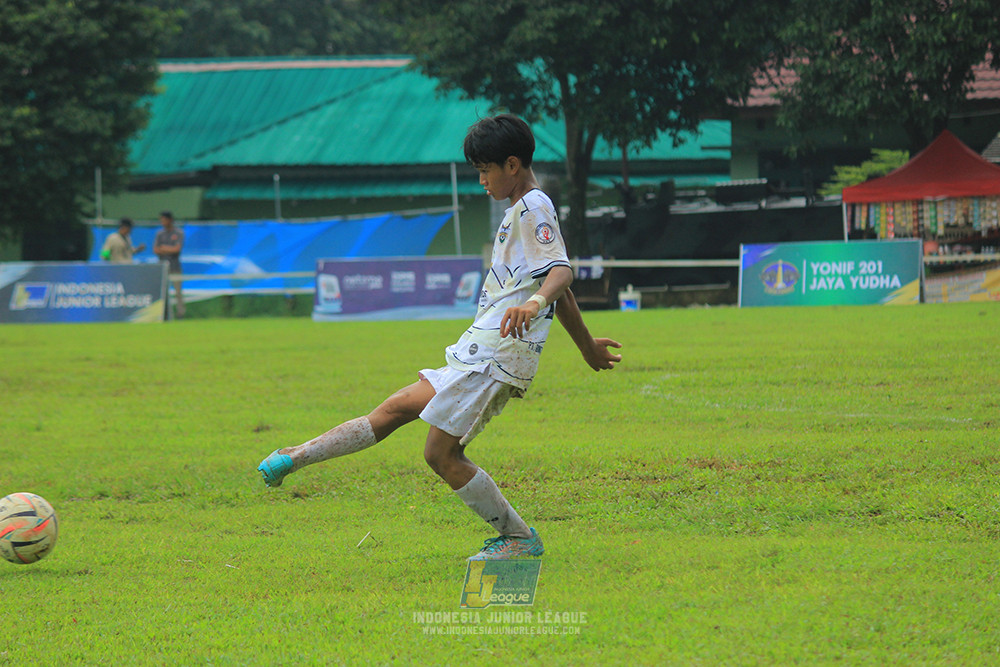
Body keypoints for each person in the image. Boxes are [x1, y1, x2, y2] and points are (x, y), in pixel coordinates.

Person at [257, 114, 622, 560]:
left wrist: (531, 305)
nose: (482, 181)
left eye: (485, 170)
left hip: (497, 354)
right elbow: (554, 284)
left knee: (440, 454)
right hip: (478, 347)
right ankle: (295, 455)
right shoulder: (520, 210)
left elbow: (561, 274)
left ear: (512, 165)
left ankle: (520, 539)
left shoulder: (534, 207)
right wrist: (585, 345)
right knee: (393, 410)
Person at [153, 211, 185, 318]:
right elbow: (156, 249)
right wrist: (168, 249)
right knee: (162, 293)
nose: (162, 222)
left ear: (170, 220)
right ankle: (162, 315)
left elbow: (177, 249)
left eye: (164, 219)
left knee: (178, 292)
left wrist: (164, 248)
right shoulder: (160, 234)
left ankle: (180, 314)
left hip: (175, 267)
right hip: (162, 267)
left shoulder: (178, 233)